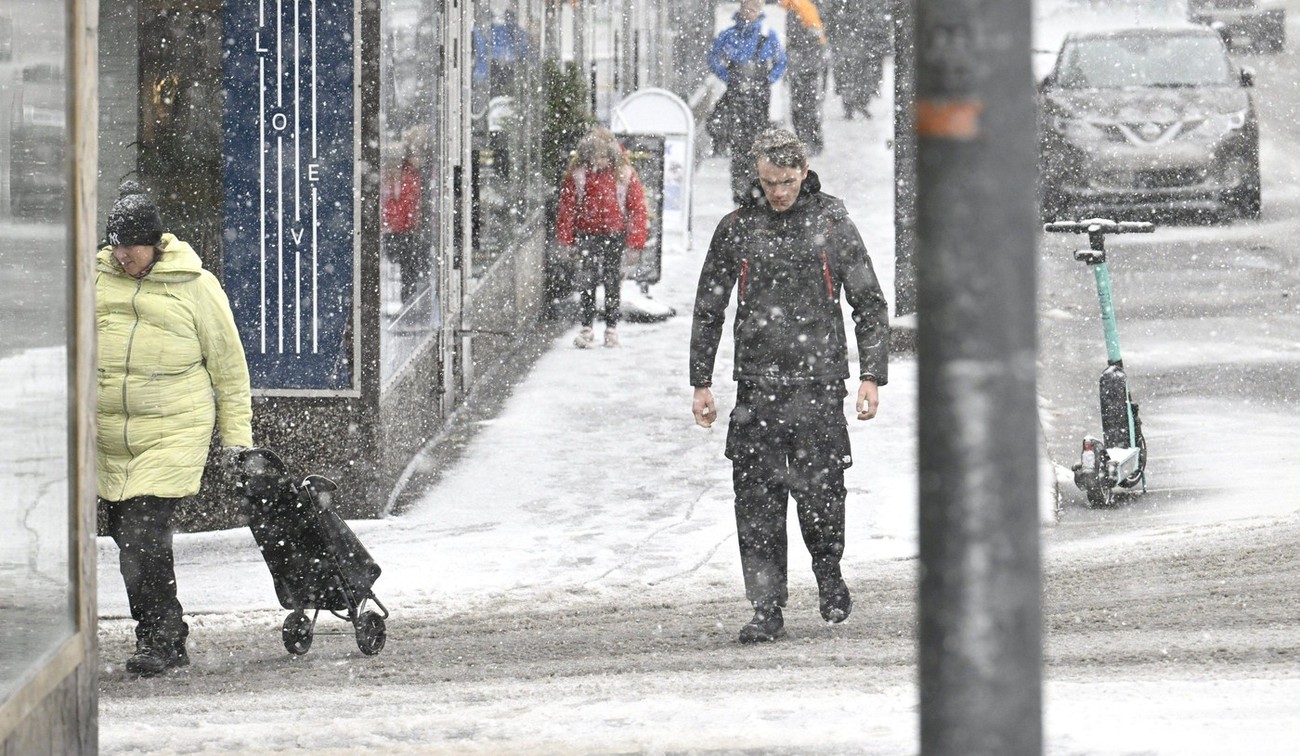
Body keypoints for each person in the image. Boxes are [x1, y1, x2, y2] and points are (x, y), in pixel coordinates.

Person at [689, 128, 889, 644]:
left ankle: (828, 574)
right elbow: (709, 308)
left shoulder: (831, 222)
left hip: (819, 385)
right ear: (757, 178)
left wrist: (871, 375)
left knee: (822, 494)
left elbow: (869, 303)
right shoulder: (737, 229)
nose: (778, 192)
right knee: (755, 503)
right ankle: (765, 607)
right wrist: (701, 381)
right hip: (756, 387)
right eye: (769, 182)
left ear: (804, 173)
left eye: (787, 181)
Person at [96, 181, 253, 676]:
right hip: (101, 436)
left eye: (132, 247)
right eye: (116, 246)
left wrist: (237, 440)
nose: (123, 256)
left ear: (155, 243)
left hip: (171, 431)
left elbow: (229, 369)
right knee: (124, 536)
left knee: (142, 535)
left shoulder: (195, 287)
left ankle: (162, 638)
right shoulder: (94, 280)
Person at [555, 127, 649, 349]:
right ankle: (587, 326)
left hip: (614, 235)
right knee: (587, 281)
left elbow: (637, 209)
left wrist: (635, 243)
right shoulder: (578, 176)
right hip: (587, 235)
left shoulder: (623, 176)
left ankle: (611, 327)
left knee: (611, 281)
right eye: (596, 156)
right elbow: (566, 210)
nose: (601, 160)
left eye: (605, 156)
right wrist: (566, 240)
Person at [707, 0, 788, 205]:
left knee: (758, 144)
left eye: (754, 8)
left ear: (760, 11)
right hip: (737, 97)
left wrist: (767, 79)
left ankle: (757, 188)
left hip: (759, 98)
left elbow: (781, 61)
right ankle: (741, 190)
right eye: (747, 8)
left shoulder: (767, 35)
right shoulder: (729, 35)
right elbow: (713, 59)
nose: (750, 12)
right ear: (741, 10)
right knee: (738, 145)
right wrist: (729, 77)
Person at [778, 0, 829, 154]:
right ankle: (811, 141)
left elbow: (814, 37)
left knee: (803, 105)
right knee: (806, 105)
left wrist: (792, 47)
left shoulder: (798, 8)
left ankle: (809, 141)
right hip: (806, 66)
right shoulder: (801, 8)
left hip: (804, 66)